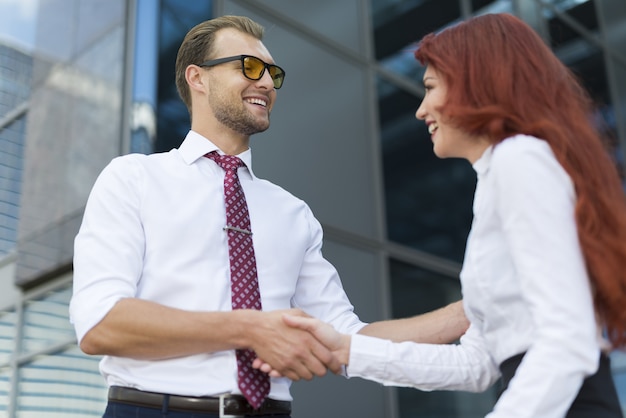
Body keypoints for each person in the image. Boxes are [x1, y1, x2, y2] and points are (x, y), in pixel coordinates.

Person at [69, 15, 468, 418]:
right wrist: (250, 328)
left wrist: (476, 309)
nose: (265, 83)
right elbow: (100, 323)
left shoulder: (293, 214)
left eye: (272, 73)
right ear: (198, 78)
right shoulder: (134, 178)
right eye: (250, 67)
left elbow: (347, 339)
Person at [263, 12, 626, 418]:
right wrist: (345, 349)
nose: (420, 110)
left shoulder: (517, 159)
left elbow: (568, 339)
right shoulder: (496, 179)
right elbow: (476, 366)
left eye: (431, 88)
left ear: (477, 84)